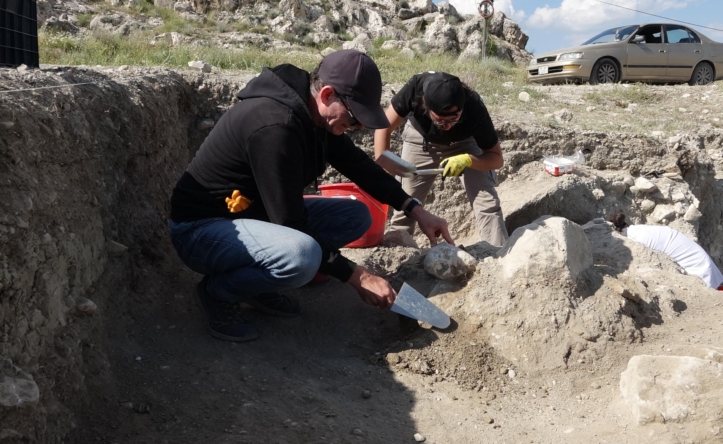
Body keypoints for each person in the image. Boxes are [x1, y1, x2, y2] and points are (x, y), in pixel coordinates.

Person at [169, 50, 454, 342]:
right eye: (355, 117)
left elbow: (359, 166)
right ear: (328, 94)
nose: (357, 128)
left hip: (252, 215)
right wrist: (359, 276)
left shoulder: (313, 115)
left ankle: (256, 286)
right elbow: (291, 222)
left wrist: (416, 210)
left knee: (355, 217)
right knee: (302, 256)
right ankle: (218, 291)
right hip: (201, 231)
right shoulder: (275, 126)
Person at [373, 71, 509, 246]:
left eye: (454, 119)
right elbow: (383, 126)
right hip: (422, 141)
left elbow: (497, 159)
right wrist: (383, 162)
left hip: (464, 144)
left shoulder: (473, 105)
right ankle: (400, 255)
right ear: (426, 107)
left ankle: (497, 253)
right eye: (440, 121)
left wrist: (468, 160)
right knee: (405, 203)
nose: (447, 126)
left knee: (487, 202)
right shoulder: (416, 88)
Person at [608, 213, 723, 297]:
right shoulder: (637, 229)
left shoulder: (638, 239)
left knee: (709, 297)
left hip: (697, 265)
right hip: (697, 258)